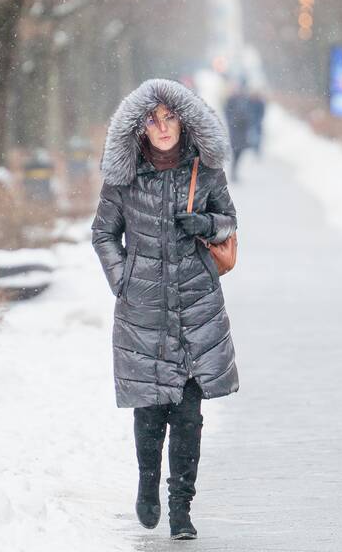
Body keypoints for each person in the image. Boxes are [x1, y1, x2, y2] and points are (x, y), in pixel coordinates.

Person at [91, 78, 239, 541]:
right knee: (151, 410)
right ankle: (148, 483)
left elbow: (229, 222)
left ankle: (181, 508)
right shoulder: (125, 177)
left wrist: (206, 224)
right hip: (144, 309)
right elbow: (103, 233)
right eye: (153, 120)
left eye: (169, 117)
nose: (162, 127)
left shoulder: (205, 170)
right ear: (140, 126)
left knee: (189, 415)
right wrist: (124, 279)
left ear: (184, 121)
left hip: (196, 304)